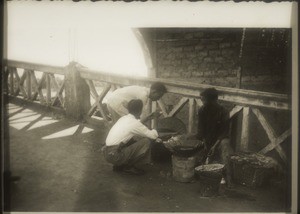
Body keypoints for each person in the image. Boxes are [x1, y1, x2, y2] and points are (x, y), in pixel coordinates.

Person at [102, 99, 162, 175]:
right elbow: (153, 136)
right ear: (140, 111)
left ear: (129, 109)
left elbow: (134, 125)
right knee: (146, 141)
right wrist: (156, 119)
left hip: (108, 153)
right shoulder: (134, 123)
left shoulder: (124, 118)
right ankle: (128, 167)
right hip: (116, 156)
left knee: (131, 139)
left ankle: (119, 165)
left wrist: (147, 118)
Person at [196, 88, 233, 186]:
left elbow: (224, 132)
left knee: (225, 146)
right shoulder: (202, 111)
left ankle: (229, 179)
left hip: (220, 140)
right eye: (201, 100)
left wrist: (214, 146)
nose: (203, 102)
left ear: (213, 100)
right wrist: (204, 144)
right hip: (207, 138)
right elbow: (201, 130)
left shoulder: (224, 111)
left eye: (204, 100)